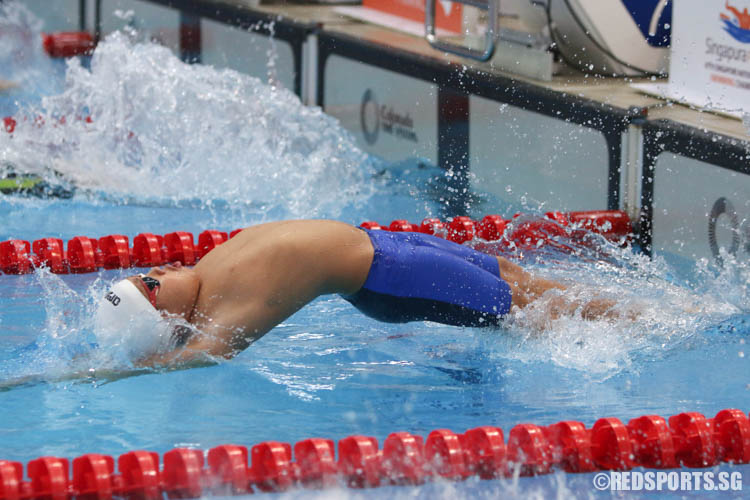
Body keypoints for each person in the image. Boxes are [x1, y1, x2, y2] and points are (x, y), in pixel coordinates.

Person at [94, 219, 616, 366]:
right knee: (531, 310)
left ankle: (622, 307)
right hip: (393, 279)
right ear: (168, 317)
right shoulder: (223, 310)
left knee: (514, 276)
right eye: (152, 284)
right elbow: (208, 353)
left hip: (387, 245)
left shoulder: (205, 271)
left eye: (143, 272)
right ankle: (647, 323)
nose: (157, 266)